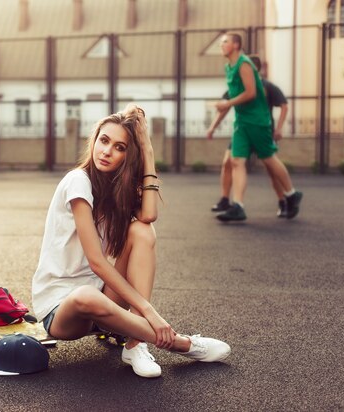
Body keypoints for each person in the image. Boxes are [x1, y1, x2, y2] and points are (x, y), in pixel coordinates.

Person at [31, 105, 231, 379]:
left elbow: (148, 215)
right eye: (103, 141)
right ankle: (182, 344)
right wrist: (151, 314)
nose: (107, 151)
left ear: (128, 155)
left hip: (101, 301)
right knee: (85, 295)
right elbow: (97, 262)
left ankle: (135, 344)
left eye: (119, 147)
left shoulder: (116, 190)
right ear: (95, 140)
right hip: (63, 311)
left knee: (143, 231)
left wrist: (147, 150)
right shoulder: (77, 181)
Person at [212, 33, 302, 222]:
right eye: (221, 43)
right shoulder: (229, 67)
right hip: (242, 122)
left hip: (258, 121)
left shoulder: (244, 64)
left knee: (268, 159)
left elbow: (251, 93)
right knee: (236, 161)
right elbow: (235, 95)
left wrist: (227, 104)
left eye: (225, 42)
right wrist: (218, 119)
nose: (222, 45)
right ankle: (238, 206)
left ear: (236, 45)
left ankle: (291, 194)